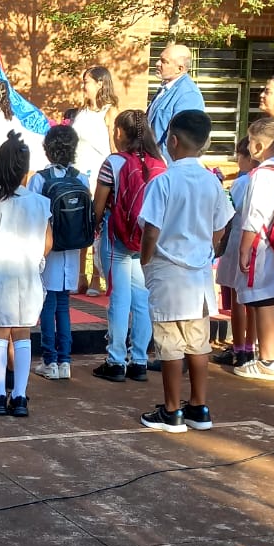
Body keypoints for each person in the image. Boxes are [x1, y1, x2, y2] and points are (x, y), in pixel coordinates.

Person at [138, 109, 233, 432]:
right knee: (198, 342)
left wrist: (145, 259)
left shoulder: (163, 181)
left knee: (169, 344)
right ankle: (199, 405)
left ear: (173, 141)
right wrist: (210, 248)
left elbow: (151, 229)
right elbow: (221, 227)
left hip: (168, 271)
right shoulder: (212, 182)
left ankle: (170, 409)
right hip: (199, 274)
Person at [0, 132, 52, 418]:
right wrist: (35, 258)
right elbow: (48, 241)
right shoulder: (40, 203)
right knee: (22, 335)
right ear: (25, 170)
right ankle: (19, 396)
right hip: (28, 275)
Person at [91, 109, 164, 382]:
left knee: (119, 297)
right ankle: (140, 360)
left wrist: (92, 229)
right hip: (147, 238)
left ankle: (116, 359)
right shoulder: (160, 163)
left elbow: (98, 205)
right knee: (142, 298)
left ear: (120, 133)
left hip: (117, 234)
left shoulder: (114, 163)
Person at [235, 116, 274, 382]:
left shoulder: (261, 175)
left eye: (251, 141)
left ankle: (266, 361)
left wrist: (244, 248)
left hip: (263, 244)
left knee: (262, 302)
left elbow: (253, 216)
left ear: (259, 146)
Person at [32, 122, 86, 380]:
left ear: (47, 150)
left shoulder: (40, 180)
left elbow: (33, 217)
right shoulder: (81, 178)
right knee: (63, 305)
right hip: (72, 253)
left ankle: (48, 360)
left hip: (48, 250)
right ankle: (65, 362)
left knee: (48, 304)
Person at [211, 137, 258, 368]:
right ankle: (251, 346)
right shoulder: (268, 179)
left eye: (239, 156)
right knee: (254, 300)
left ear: (248, 157)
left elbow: (228, 209)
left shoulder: (243, 183)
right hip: (258, 246)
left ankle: (240, 348)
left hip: (239, 242)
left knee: (239, 299)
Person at [71, 65, 117, 294]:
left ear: (100, 83)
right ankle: (80, 275)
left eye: (87, 81)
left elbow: (114, 146)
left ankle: (97, 276)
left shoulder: (110, 111)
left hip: (100, 174)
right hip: (79, 172)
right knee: (80, 224)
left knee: (97, 223)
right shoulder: (82, 112)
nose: (84, 86)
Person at [147, 44, 206, 161]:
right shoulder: (166, 88)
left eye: (164, 61)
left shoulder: (188, 95)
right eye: (159, 59)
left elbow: (184, 140)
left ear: (180, 68)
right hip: (154, 164)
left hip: (168, 167)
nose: (157, 63)